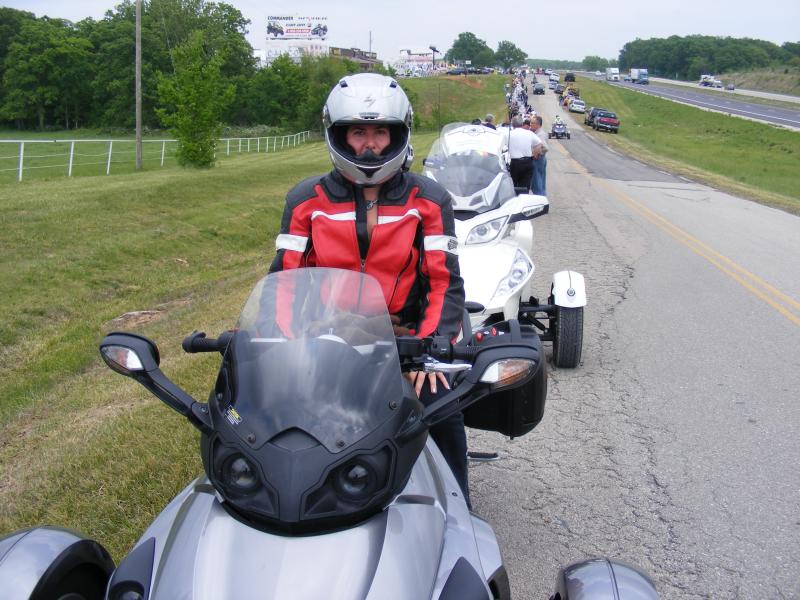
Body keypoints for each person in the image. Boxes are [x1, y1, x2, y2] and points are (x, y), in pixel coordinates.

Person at [269, 73, 471, 505]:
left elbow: (444, 282)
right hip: (328, 332)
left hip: (407, 334)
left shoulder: (429, 200)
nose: (369, 144)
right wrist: (286, 344)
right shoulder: (307, 200)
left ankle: (459, 510)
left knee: (442, 408)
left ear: (398, 134)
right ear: (338, 135)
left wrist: (430, 350)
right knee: (274, 411)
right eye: (358, 132)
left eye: (381, 132)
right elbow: (283, 281)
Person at [505, 114, 543, 192]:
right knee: (525, 187)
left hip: (515, 163)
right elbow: (539, 144)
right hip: (528, 162)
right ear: (522, 124)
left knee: (514, 186)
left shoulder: (508, 134)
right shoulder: (529, 133)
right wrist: (535, 154)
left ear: (512, 124)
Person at [530, 115, 548, 196]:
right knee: (540, 179)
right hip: (540, 159)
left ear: (538, 125)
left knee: (537, 181)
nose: (531, 124)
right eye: (531, 123)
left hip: (538, 159)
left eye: (533, 123)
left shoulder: (540, 134)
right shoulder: (537, 133)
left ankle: (540, 198)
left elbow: (545, 147)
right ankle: (542, 196)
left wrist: (536, 154)